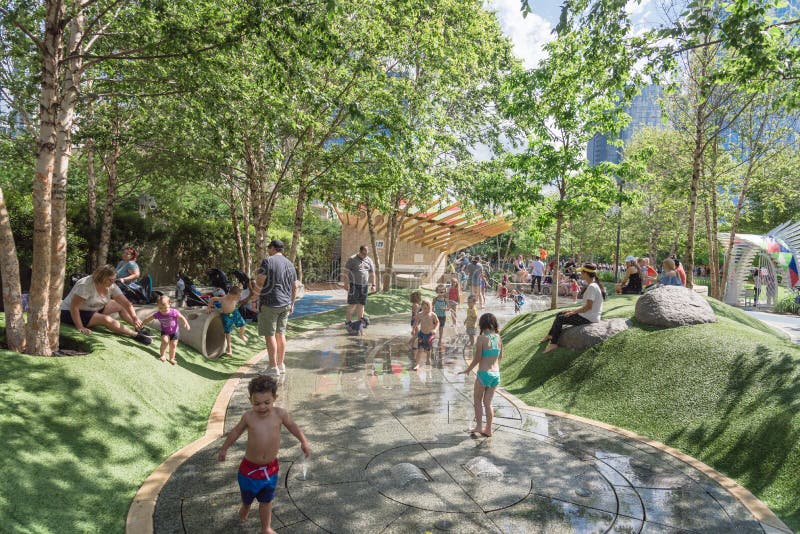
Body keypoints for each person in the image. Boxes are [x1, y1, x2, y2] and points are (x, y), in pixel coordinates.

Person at [218, 375, 310, 534]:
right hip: (249, 470)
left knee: (266, 500)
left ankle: (265, 528)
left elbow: (293, 426)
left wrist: (303, 441)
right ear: (250, 400)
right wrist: (224, 448)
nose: (262, 407)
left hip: (270, 469)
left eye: (267, 402)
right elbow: (235, 432)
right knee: (248, 499)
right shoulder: (248, 417)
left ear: (275, 398)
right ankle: (246, 506)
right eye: (257, 403)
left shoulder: (280, 415)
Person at [60, 264, 152, 344]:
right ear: (101, 278)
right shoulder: (85, 285)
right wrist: (80, 326)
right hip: (70, 313)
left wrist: (135, 318)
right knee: (107, 319)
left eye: (114, 279)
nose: (113, 282)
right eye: (110, 280)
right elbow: (74, 307)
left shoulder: (111, 285)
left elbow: (126, 303)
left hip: (93, 308)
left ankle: (139, 328)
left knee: (120, 305)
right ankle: (136, 335)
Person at [254, 239, 298, 376]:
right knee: (281, 334)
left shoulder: (268, 261)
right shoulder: (290, 264)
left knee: (270, 335)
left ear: (273, 248)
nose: (268, 250)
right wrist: (292, 304)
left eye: (269, 248)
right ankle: (281, 364)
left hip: (270, 303)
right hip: (285, 304)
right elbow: (295, 286)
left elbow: (260, 282)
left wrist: (255, 299)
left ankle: (273, 367)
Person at [540, 263, 606, 354]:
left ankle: (553, 344)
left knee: (560, 318)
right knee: (560, 314)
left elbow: (588, 307)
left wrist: (573, 312)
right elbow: (587, 305)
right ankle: (550, 335)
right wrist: (572, 311)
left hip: (589, 318)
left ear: (586, 273)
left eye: (581, 273)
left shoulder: (592, 287)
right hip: (588, 315)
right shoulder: (593, 285)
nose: (580, 274)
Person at [458, 312, 503, 437]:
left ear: (481, 324)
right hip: (496, 375)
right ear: (494, 324)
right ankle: (488, 429)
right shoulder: (499, 338)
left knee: (477, 400)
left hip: (483, 374)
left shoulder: (481, 338)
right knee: (488, 403)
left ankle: (478, 426)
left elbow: (477, 358)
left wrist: (468, 369)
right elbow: (501, 356)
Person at [141, 295, 190, 364]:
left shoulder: (174, 312)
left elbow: (181, 317)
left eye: (165, 308)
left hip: (175, 332)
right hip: (165, 331)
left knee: (173, 345)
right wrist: (143, 322)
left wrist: (186, 323)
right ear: (157, 306)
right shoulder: (158, 314)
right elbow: (149, 318)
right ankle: (162, 355)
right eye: (161, 308)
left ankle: (172, 358)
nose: (163, 310)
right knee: (165, 341)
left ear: (169, 304)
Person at [207, 286, 250, 356]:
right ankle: (229, 348)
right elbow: (212, 299)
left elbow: (240, 297)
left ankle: (241, 335)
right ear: (231, 295)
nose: (238, 298)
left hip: (234, 313)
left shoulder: (235, 298)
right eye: (237, 296)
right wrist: (208, 308)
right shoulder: (223, 299)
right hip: (226, 316)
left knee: (243, 324)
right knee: (228, 331)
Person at [342, 245, 376, 330]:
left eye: (367, 254)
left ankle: (359, 323)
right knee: (352, 304)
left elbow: (372, 273)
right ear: (360, 252)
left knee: (361, 304)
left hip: (364, 286)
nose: (365, 256)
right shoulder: (352, 259)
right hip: (354, 285)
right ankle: (347, 322)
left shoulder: (369, 260)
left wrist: (373, 285)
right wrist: (345, 284)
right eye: (364, 254)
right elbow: (345, 272)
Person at [412, 300, 439, 371]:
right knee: (420, 349)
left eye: (428, 308)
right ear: (422, 307)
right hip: (422, 334)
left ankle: (428, 358)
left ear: (431, 307)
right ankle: (417, 364)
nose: (426, 310)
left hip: (429, 335)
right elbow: (416, 322)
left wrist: (435, 329)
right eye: (424, 308)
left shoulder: (433, 315)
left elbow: (437, 322)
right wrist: (413, 329)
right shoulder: (420, 314)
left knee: (428, 349)